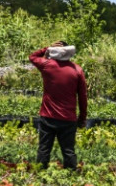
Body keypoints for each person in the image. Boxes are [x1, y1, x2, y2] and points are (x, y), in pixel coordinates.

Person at [29, 41, 88, 169]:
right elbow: (82, 97)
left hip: (48, 117)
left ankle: (39, 178)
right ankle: (72, 180)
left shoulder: (47, 65)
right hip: (68, 119)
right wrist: (82, 118)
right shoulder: (77, 70)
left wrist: (47, 47)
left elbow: (32, 57)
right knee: (68, 151)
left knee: (44, 149)